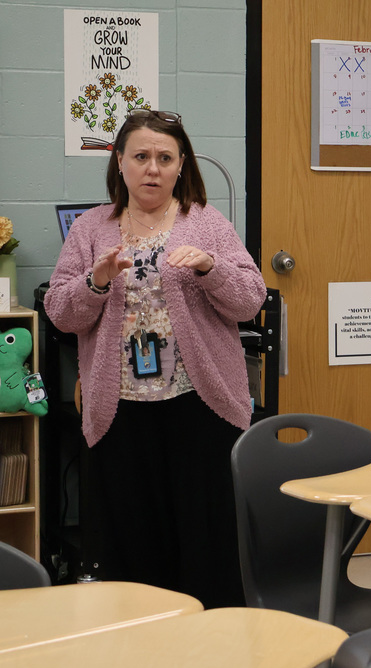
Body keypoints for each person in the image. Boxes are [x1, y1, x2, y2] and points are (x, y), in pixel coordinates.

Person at [44, 109, 266, 608]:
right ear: (120, 163)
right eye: (141, 156)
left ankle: (211, 640)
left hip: (200, 404)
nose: (152, 168)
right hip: (120, 407)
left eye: (165, 158)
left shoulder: (206, 222)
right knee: (132, 541)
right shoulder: (90, 229)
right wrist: (95, 281)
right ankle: (143, 640)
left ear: (181, 165)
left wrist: (210, 268)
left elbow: (250, 300)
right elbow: (60, 313)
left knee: (205, 540)